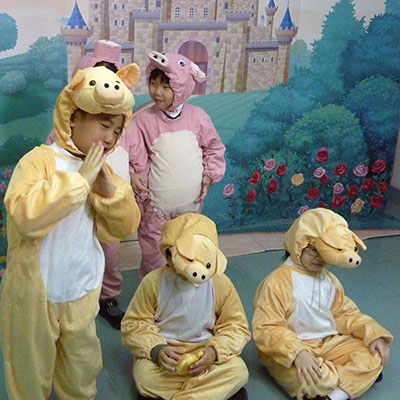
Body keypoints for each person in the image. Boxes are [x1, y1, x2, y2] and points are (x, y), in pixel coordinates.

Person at [0, 64, 141, 399]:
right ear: (73, 117)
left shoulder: (103, 172)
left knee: (81, 365)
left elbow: (123, 227)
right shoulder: (39, 160)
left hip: (81, 289)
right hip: (36, 296)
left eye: (116, 131)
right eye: (104, 125)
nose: (110, 138)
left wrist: (109, 192)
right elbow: (24, 216)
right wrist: (79, 181)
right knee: (29, 367)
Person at [252, 208, 393, 400]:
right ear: (297, 244)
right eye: (313, 250)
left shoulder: (330, 281)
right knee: (311, 378)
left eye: (324, 252)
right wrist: (297, 352)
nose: (319, 258)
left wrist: (373, 334)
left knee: (374, 355)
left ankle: (333, 394)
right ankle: (350, 381)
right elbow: (267, 328)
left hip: (329, 342)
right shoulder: (276, 282)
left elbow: (345, 314)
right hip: (292, 349)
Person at [46, 39, 131, 330]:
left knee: (110, 251)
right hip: (73, 206)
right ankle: (64, 296)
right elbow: (50, 159)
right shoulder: (62, 132)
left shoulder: (121, 126)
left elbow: (133, 155)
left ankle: (108, 296)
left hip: (106, 203)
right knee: (71, 250)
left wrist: (130, 183)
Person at [121, 213, 250, 400]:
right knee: (145, 376)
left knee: (238, 371)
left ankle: (184, 395)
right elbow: (134, 324)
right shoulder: (153, 282)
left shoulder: (220, 283)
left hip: (204, 355)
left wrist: (214, 351)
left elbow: (236, 326)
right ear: (168, 254)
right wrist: (156, 349)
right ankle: (203, 394)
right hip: (167, 357)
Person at [126, 50, 226, 278]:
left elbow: (214, 148)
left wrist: (209, 175)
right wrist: (133, 175)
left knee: (187, 248)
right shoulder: (142, 121)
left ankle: (183, 286)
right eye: (153, 84)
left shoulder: (198, 117)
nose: (157, 92)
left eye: (166, 86)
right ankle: (154, 289)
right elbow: (134, 155)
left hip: (191, 204)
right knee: (154, 249)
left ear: (181, 87)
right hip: (156, 205)